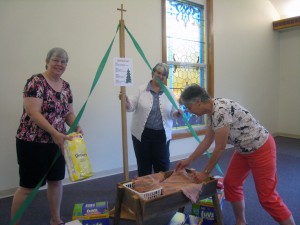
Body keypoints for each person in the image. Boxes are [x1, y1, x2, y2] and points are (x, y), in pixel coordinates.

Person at [175, 84, 296, 225]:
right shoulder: (211, 112)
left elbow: (220, 148)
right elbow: (207, 141)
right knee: (231, 184)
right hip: (243, 150)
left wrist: (205, 172)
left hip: (261, 148)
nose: (190, 111)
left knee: (267, 198)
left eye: (189, 108)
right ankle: (241, 221)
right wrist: (188, 160)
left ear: (198, 102)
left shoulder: (220, 110)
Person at [11, 47, 82, 225]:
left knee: (56, 182)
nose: (60, 64)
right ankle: (15, 222)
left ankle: (56, 219)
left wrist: (76, 125)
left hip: (57, 142)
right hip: (32, 142)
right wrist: (55, 133)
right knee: (28, 187)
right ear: (47, 61)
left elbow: (68, 113)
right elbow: (33, 113)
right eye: (56, 60)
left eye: (63, 61)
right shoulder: (35, 82)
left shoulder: (66, 86)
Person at [119, 63, 182, 177]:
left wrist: (178, 114)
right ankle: (146, 191)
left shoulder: (169, 93)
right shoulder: (141, 89)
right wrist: (126, 100)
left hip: (162, 135)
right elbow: (131, 106)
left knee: (162, 167)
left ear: (166, 77)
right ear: (153, 73)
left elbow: (174, 112)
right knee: (144, 166)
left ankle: (161, 192)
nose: (161, 76)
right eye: (158, 73)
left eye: (164, 74)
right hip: (142, 134)